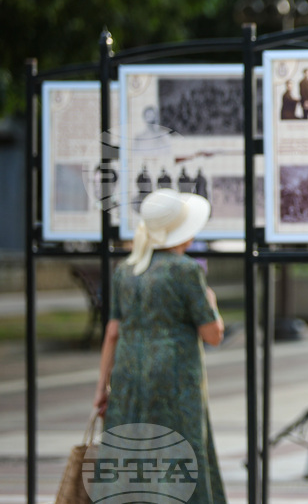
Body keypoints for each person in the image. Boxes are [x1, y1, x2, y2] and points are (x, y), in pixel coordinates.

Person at [93, 188, 227, 503]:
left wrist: (102, 388)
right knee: (180, 455)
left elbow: (112, 332)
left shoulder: (126, 270)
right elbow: (213, 335)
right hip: (175, 381)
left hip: (128, 380)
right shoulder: (186, 270)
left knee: (130, 457)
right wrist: (212, 303)